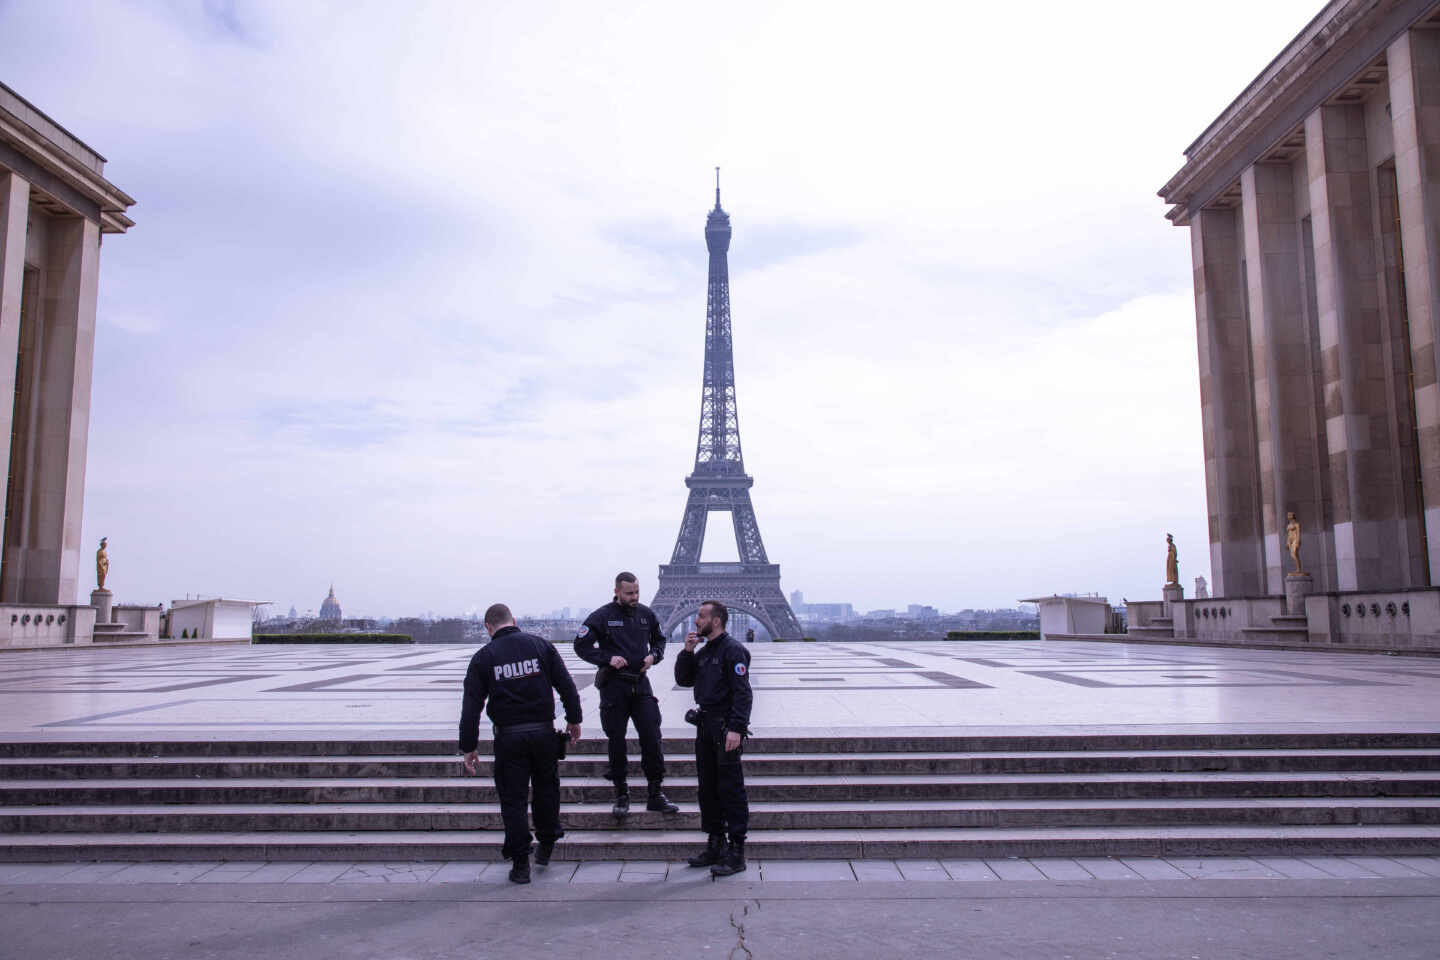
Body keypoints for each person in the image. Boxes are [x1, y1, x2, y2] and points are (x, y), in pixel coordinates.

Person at [459, 603, 582, 884]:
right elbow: (566, 686)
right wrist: (574, 720)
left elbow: (471, 707)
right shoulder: (540, 645)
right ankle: (548, 842)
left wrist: (469, 746)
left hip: (509, 737)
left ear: (488, 627)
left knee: (513, 801)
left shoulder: (483, 657)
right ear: (513, 620)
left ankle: (520, 863)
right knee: (547, 790)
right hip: (543, 733)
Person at [574, 572, 679, 818]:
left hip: (640, 685)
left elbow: (660, 641)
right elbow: (581, 645)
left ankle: (655, 792)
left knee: (652, 737)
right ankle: (622, 793)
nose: (634, 597)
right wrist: (607, 659)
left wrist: (654, 656)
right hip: (614, 687)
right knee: (617, 741)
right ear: (617, 592)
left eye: (637, 592)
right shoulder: (601, 617)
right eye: (629, 593)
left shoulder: (646, 614)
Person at [674, 599, 753, 877]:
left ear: (716, 620)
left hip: (724, 728)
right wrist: (686, 651)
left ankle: (737, 851)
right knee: (707, 788)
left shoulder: (733, 651)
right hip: (706, 726)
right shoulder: (704, 652)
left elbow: (743, 693)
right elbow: (684, 679)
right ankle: (716, 842)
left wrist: (736, 728)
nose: (696, 621)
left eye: (701, 616)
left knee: (731, 788)